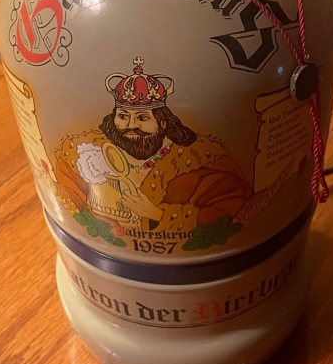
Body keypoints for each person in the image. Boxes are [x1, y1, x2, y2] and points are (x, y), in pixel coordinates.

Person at [54, 57, 252, 234]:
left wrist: (159, 214)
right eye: (123, 116)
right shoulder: (92, 149)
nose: (131, 126)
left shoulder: (195, 160)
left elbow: (230, 205)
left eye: (142, 118)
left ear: (162, 122)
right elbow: (65, 180)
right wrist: (97, 219)